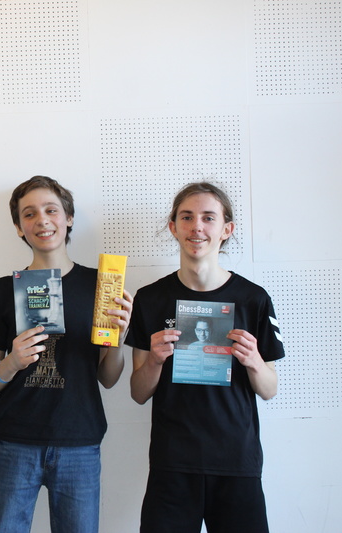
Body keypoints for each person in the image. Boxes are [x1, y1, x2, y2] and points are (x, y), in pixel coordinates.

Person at [125, 182, 285, 533]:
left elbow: (269, 389)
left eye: (208, 218)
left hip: (236, 463)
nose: (197, 226)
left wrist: (254, 361)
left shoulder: (254, 299)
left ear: (226, 229)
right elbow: (138, 393)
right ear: (173, 227)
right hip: (172, 464)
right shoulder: (149, 299)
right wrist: (154, 361)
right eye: (187, 217)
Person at [0, 175, 133, 533]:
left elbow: (108, 379)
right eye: (29, 214)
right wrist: (12, 362)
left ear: (69, 218)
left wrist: (118, 338)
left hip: (79, 441)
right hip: (15, 440)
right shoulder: (3, 290)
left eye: (51, 210)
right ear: (19, 227)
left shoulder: (102, 285)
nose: (42, 220)